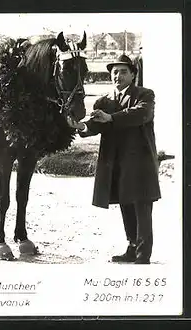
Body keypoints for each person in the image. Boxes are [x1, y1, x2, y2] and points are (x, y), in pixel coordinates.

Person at [67, 54, 160, 264]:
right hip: (115, 160)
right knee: (125, 202)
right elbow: (95, 125)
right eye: (114, 72)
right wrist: (81, 127)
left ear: (133, 74)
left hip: (139, 160)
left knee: (141, 204)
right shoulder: (105, 100)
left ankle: (143, 254)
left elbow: (141, 115)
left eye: (124, 71)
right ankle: (132, 247)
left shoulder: (144, 95)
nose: (118, 76)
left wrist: (111, 118)